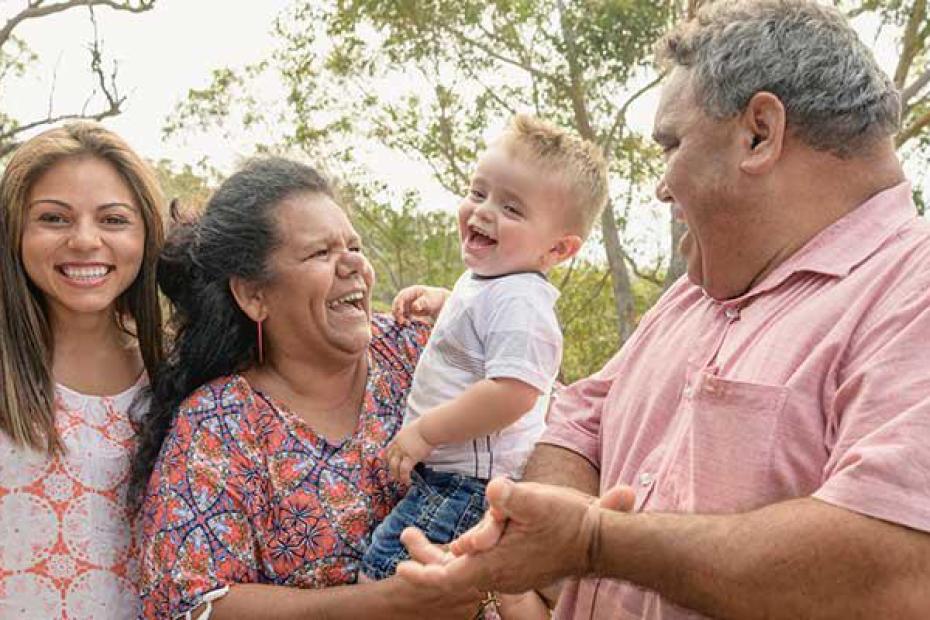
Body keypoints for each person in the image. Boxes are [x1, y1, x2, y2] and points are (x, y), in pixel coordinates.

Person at [396, 1, 930, 618]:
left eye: (671, 144)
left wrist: (594, 543)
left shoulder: (910, 290)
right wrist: (535, 573)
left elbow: (894, 569)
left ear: (760, 132)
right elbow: (578, 426)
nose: (660, 185)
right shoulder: (694, 292)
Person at [133, 157, 480, 619]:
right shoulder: (220, 423)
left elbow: (548, 423)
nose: (354, 263)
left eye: (354, 246)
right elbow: (192, 605)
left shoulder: (420, 350)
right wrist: (388, 604)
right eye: (321, 253)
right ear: (254, 295)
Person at [362, 115, 608, 617]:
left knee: (391, 577)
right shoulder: (494, 283)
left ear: (558, 248)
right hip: (453, 477)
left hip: (470, 484)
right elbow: (483, 335)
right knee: (395, 576)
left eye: (511, 207)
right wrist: (446, 301)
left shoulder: (522, 301)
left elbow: (514, 390)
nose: (483, 211)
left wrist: (425, 431)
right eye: (479, 192)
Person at [0, 122, 166, 618]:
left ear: (146, 233)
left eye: (114, 220)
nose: (85, 241)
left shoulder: (178, 376)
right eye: (54, 218)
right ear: (14, 231)